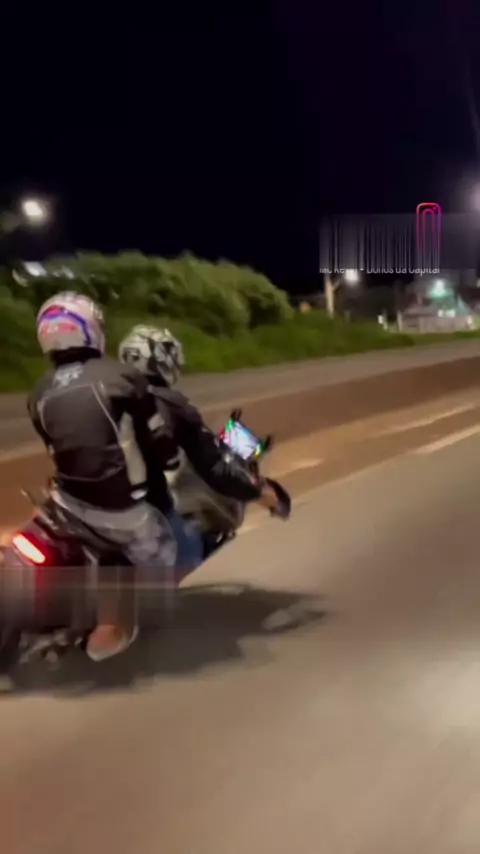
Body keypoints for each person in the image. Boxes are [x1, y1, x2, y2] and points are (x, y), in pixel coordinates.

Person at [27, 294, 280, 661]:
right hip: (127, 508)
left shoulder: (43, 389)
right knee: (181, 549)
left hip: (68, 499)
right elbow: (201, 461)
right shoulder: (147, 393)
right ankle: (116, 623)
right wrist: (259, 491)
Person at [117, 324, 283, 573]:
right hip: (144, 509)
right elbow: (214, 467)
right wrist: (257, 492)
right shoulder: (170, 404)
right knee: (188, 551)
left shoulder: (103, 394)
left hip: (88, 506)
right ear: (160, 360)